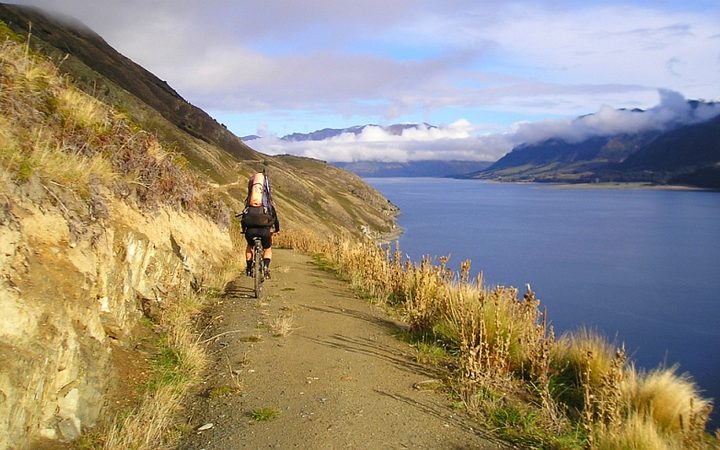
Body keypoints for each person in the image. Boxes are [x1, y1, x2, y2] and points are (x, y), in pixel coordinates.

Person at [240, 171, 280, 278]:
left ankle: (249, 268)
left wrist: (244, 230)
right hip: (265, 231)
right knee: (267, 248)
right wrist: (276, 230)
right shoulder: (268, 206)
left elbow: (243, 219)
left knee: (249, 246)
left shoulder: (248, 205)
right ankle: (266, 267)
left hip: (250, 232)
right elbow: (275, 219)